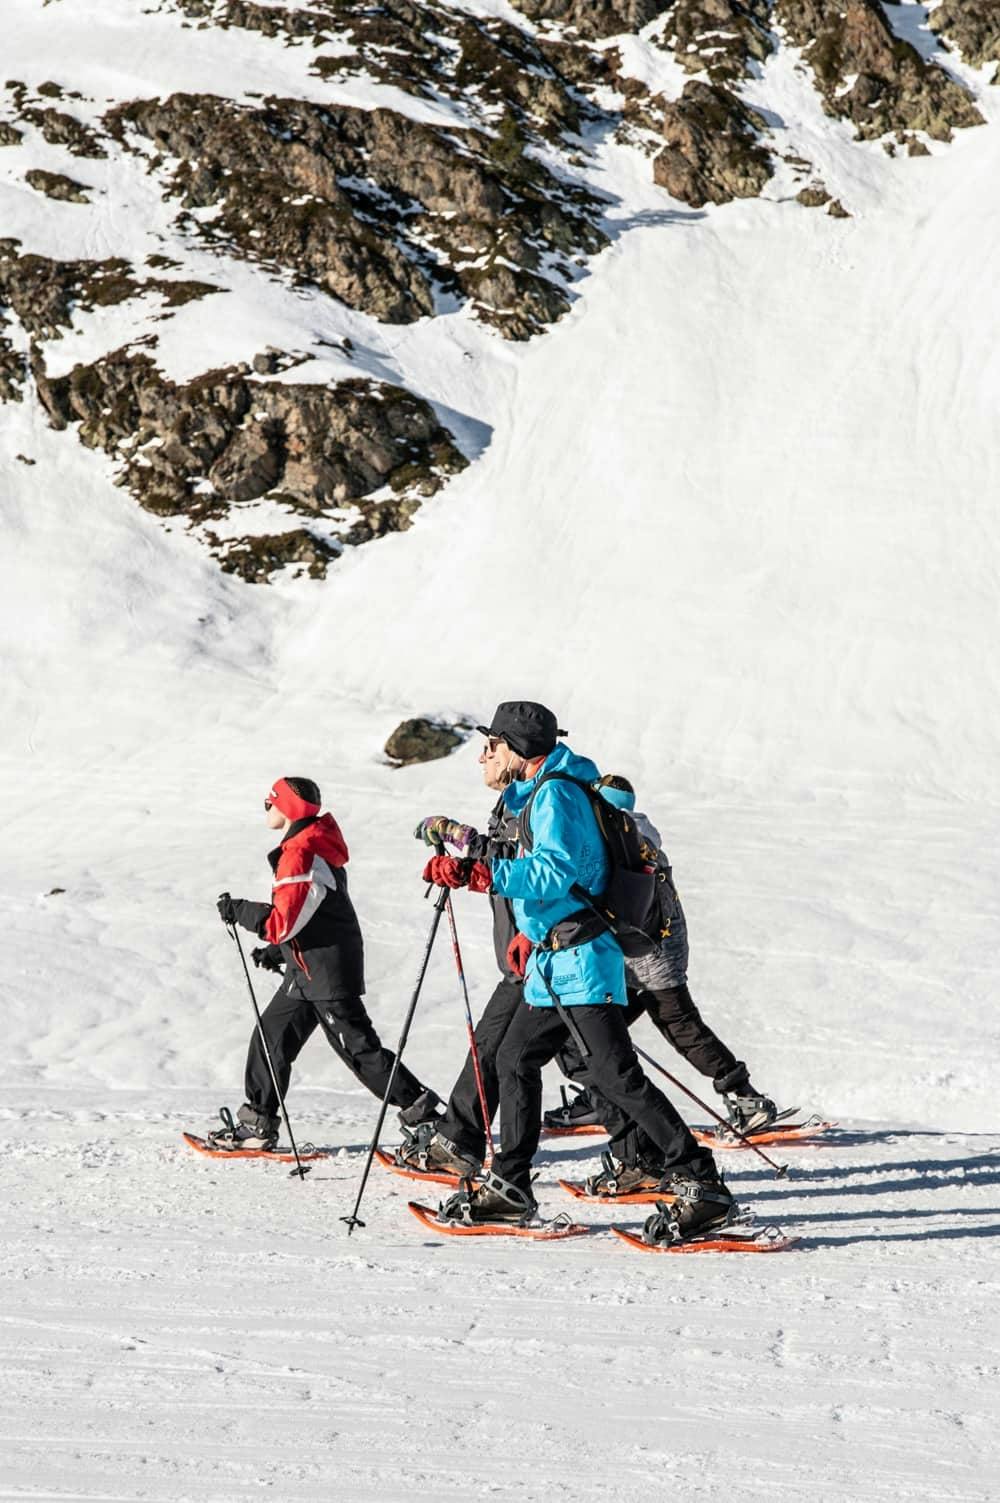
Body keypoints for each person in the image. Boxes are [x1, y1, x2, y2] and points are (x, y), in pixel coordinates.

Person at [420, 704, 734, 1241]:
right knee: (513, 1057)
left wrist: (479, 873)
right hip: (554, 958)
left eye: (490, 746)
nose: (483, 757)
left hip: (582, 961)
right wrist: (529, 931)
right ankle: (510, 1186)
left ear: (516, 748)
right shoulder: (544, 792)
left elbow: (555, 870)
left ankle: (701, 1184)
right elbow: (568, 877)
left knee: (617, 1077)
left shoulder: (557, 794)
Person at [551, 773, 779, 1196]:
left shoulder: (622, 836)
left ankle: (740, 1100)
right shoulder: (636, 832)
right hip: (650, 952)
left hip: (648, 956)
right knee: (605, 1039)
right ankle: (607, 1100)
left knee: (657, 1029)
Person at [212, 775, 439, 1150]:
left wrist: (240, 911)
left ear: (287, 807)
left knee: (361, 1051)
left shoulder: (301, 852)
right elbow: (313, 914)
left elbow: (282, 921)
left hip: (325, 974)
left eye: (270, 801)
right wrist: (278, 952)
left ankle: (428, 1121)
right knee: (270, 1041)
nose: (265, 807)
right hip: (306, 970)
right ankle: (257, 1123)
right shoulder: (309, 846)